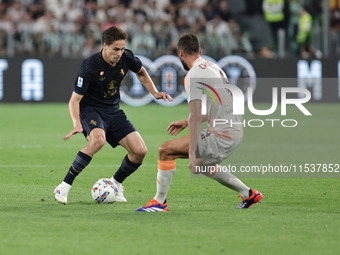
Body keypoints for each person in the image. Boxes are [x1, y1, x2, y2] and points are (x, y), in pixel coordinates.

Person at [136, 34, 262, 212]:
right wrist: (186, 122)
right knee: (205, 166)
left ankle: (159, 202)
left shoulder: (193, 75)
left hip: (222, 134)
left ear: (181, 53)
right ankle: (249, 194)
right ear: (200, 51)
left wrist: (192, 151)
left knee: (165, 150)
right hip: (235, 131)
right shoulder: (214, 68)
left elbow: (195, 115)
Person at [54, 26, 173, 204]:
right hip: (91, 110)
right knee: (98, 140)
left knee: (140, 151)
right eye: (116, 49)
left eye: (122, 48)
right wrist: (76, 123)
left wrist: (154, 92)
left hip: (113, 110)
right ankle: (64, 186)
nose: (119, 53)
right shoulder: (90, 67)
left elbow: (141, 72)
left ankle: (115, 184)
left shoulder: (126, 58)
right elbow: (74, 101)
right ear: (105, 46)